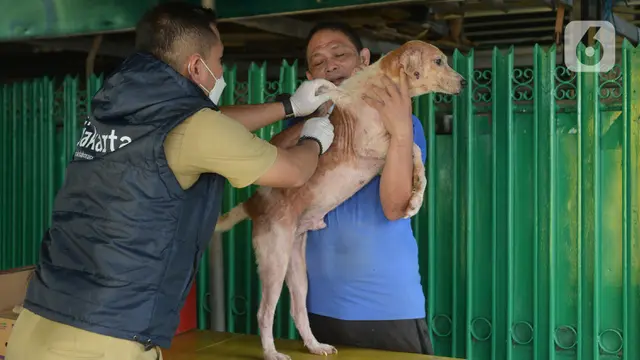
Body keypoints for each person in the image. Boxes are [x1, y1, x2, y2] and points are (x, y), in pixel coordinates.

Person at [6, 3, 335, 360]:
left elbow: (207, 121)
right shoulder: (196, 128)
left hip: (36, 321)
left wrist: (288, 106)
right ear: (197, 66)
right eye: (220, 60)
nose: (221, 71)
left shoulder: (116, 104)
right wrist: (314, 137)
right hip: (102, 339)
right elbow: (293, 172)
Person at [285, 22, 434, 355]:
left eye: (340, 54)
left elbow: (395, 207)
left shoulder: (402, 124)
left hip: (388, 308)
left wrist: (399, 132)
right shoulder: (299, 128)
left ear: (364, 60)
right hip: (318, 311)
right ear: (310, 76)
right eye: (319, 61)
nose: (331, 65)